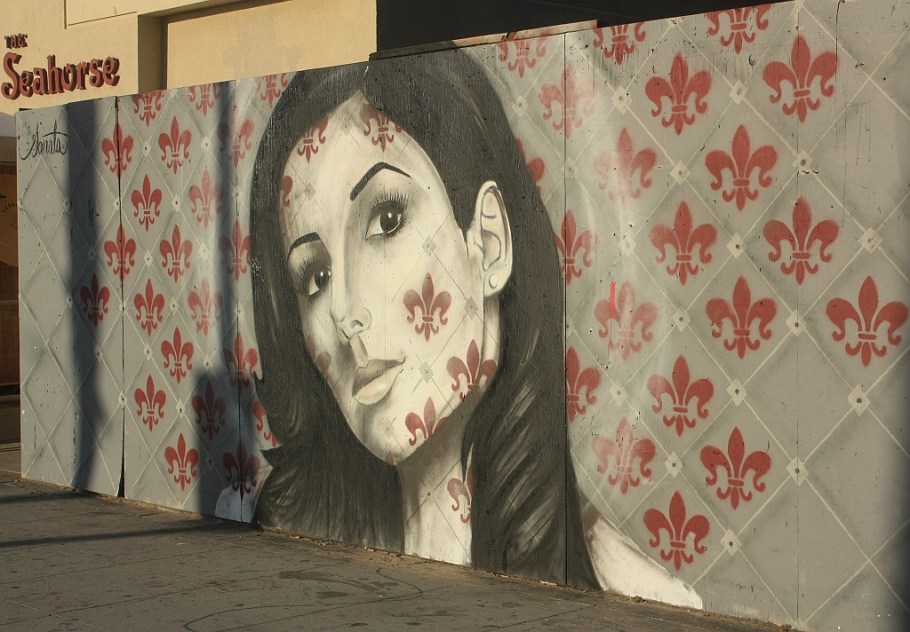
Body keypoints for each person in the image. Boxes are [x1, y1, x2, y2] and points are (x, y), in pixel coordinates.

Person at [249, 48, 701, 608]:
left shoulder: (636, 601)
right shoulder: (302, 558)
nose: (343, 311)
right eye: (314, 277)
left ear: (487, 242)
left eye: (386, 221)